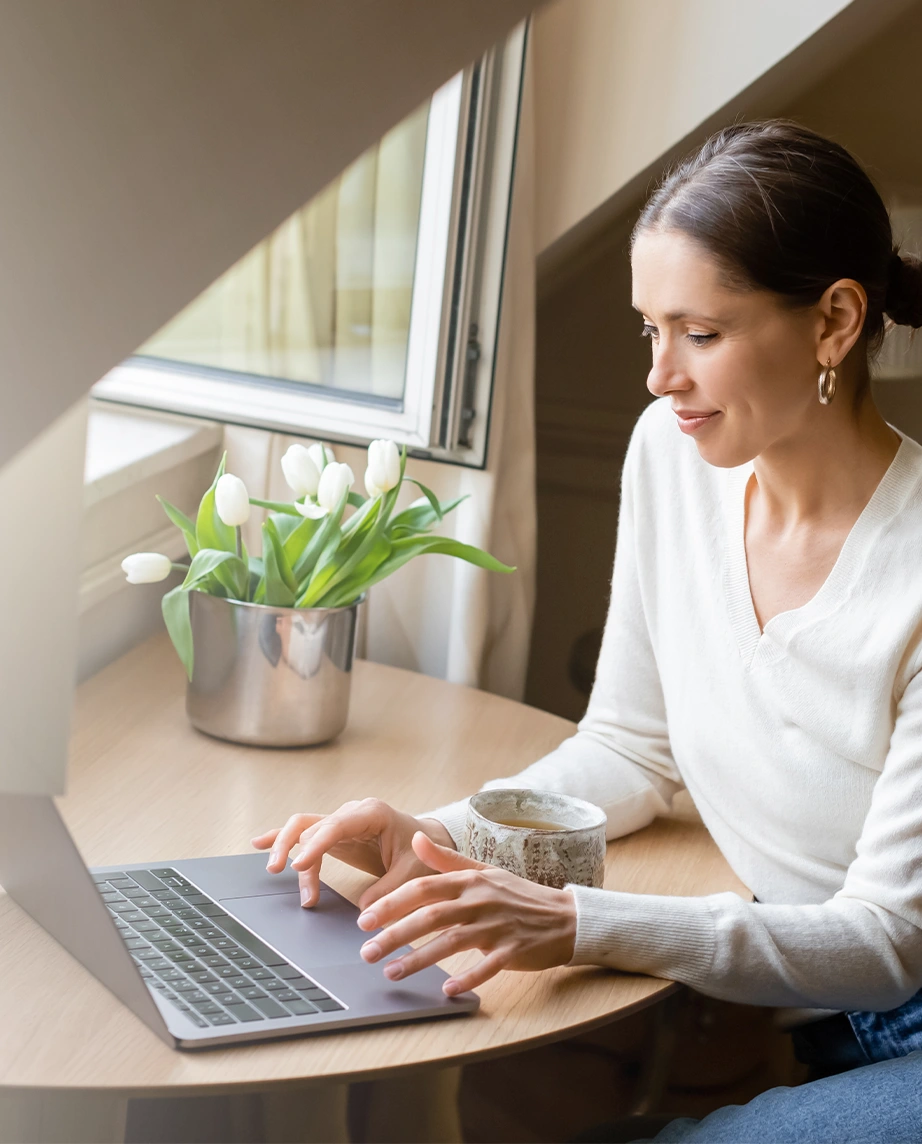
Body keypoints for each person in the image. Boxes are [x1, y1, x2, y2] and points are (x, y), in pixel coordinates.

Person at [252, 120, 922, 1136]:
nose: (660, 376)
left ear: (833, 322)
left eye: (700, 333)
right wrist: (439, 834)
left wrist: (572, 924)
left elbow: (888, 942)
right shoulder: (671, 454)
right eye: (648, 330)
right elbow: (632, 745)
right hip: (813, 1010)